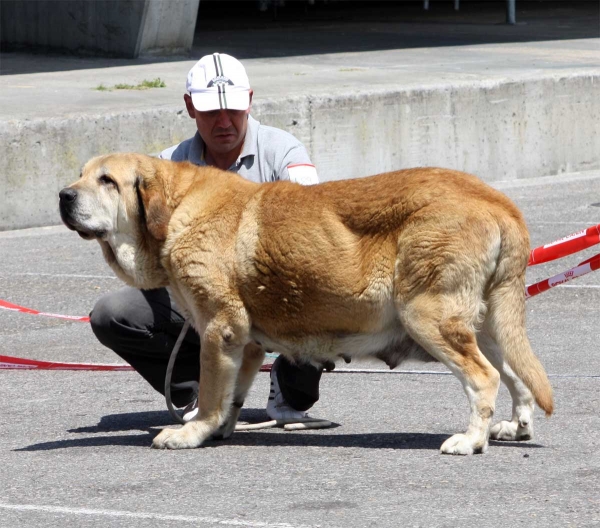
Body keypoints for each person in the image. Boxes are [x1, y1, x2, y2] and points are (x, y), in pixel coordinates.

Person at [89, 53, 327, 425]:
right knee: (112, 315)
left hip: (273, 295)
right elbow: (145, 246)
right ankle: (202, 391)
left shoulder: (285, 151)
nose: (223, 122)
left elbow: (313, 232)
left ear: (248, 100)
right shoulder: (165, 165)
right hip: (198, 299)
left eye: (233, 109)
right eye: (210, 111)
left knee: (329, 294)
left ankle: (287, 386)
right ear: (189, 107)